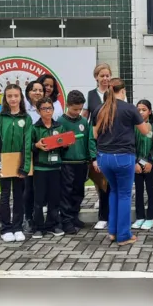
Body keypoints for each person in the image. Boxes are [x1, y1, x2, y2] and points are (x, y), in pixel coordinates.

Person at [91, 78, 150, 246]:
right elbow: (144, 131)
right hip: (124, 157)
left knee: (114, 192)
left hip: (104, 157)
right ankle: (123, 235)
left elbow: (95, 135)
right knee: (124, 195)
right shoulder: (129, 108)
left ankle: (112, 232)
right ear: (122, 91)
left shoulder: (99, 109)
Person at [0, 84, 32, 243]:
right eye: (9, 96)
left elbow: (28, 143)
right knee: (5, 195)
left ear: (21, 98)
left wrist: (25, 166)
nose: (13, 99)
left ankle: (18, 227)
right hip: (4, 163)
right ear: (5, 99)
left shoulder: (26, 118)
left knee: (19, 196)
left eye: (16, 96)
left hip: (19, 163)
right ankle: (6, 228)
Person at [30, 97, 69, 238]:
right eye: (44, 109)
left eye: (50, 108)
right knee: (39, 200)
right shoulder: (35, 128)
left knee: (54, 198)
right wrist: (36, 145)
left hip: (56, 168)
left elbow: (64, 149)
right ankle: (38, 227)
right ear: (38, 111)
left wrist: (65, 145)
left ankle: (53, 225)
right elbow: (28, 146)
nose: (48, 111)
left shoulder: (59, 127)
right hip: (40, 169)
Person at [58, 90, 91, 234]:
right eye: (75, 109)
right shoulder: (60, 122)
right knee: (67, 192)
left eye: (80, 109)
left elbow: (88, 141)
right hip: (66, 163)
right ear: (67, 105)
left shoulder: (84, 121)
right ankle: (65, 220)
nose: (78, 112)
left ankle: (74, 215)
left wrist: (89, 159)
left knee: (79, 191)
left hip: (82, 162)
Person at [84, 63, 113, 230]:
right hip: (98, 140)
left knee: (112, 181)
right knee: (99, 176)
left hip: (114, 140)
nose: (105, 78)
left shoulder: (115, 93)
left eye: (107, 75)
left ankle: (111, 211)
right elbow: (85, 117)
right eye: (102, 76)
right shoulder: (91, 95)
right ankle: (102, 209)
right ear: (96, 77)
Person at [22, 80, 45, 233]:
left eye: (40, 90)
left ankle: (41, 219)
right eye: (34, 90)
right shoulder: (23, 111)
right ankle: (28, 218)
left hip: (45, 155)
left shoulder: (48, 108)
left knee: (42, 188)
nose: (37, 92)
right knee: (28, 188)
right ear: (28, 92)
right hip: (29, 154)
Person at [132, 99, 153, 231]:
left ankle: (150, 218)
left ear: (149, 111)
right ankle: (140, 217)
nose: (141, 112)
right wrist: (135, 162)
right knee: (138, 191)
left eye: (144, 110)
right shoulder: (132, 126)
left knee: (150, 190)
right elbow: (130, 145)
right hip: (136, 165)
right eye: (138, 110)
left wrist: (151, 161)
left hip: (149, 164)